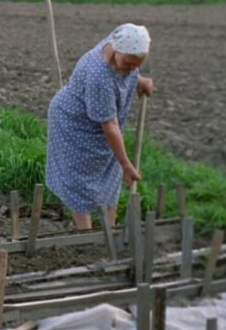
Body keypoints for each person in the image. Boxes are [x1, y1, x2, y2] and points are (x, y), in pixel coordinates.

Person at [45, 23, 155, 230]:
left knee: (110, 175)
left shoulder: (124, 36)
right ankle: (86, 235)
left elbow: (129, 69)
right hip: (73, 123)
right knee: (79, 180)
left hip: (99, 124)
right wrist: (126, 164)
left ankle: (108, 233)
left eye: (137, 65)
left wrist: (139, 81)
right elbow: (110, 125)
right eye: (129, 64)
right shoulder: (99, 76)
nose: (132, 69)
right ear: (117, 50)